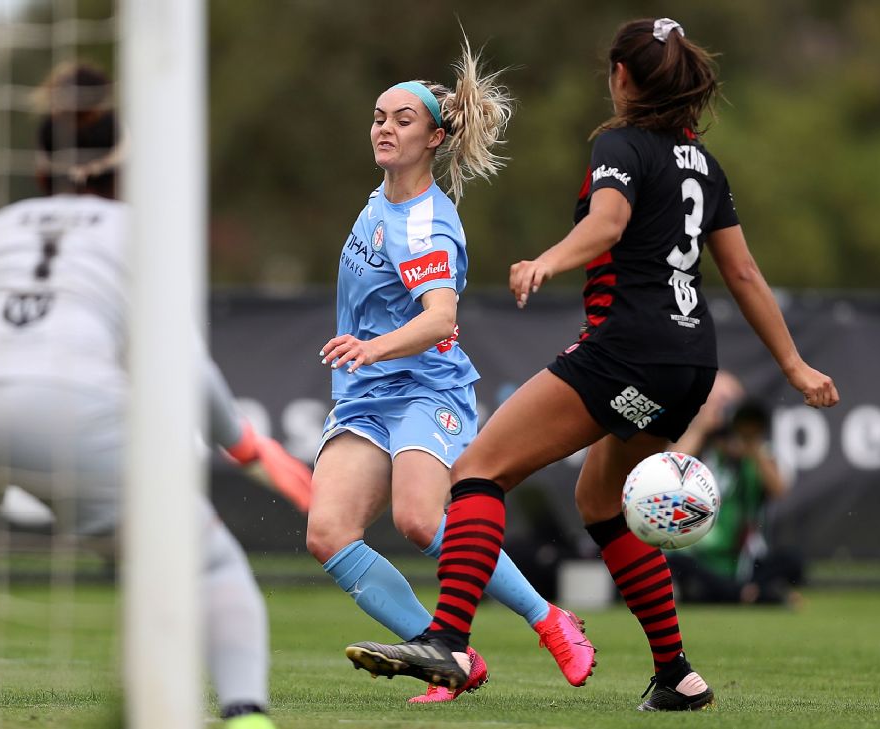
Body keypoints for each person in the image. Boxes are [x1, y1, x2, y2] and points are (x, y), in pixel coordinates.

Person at [342, 17, 839, 712]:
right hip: (689, 364)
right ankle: (677, 675)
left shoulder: (621, 146)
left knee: (481, 469)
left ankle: (450, 639)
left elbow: (607, 223)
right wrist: (793, 364)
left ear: (624, 78)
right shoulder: (704, 164)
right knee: (600, 504)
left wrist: (546, 259)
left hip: (626, 349)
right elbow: (745, 273)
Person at [0, 63, 310, 729]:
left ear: (41, 171)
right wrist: (243, 443)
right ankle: (246, 717)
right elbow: (183, 363)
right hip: (69, 403)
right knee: (207, 561)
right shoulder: (142, 235)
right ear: (126, 174)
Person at [307, 36, 596, 705]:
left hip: (423, 387)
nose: (383, 126)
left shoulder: (428, 225)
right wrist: (367, 359)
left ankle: (549, 617)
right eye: (379, 116)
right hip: (363, 397)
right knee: (327, 533)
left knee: (417, 517)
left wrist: (373, 348)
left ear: (434, 138)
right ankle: (449, 657)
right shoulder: (382, 198)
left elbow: (440, 318)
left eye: (401, 119)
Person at [671, 377, 804, 605]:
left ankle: (730, 593)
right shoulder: (700, 447)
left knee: (793, 560)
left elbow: (779, 489)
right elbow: (671, 472)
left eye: (731, 402)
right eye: (719, 402)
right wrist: (700, 429)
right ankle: (751, 595)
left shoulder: (757, 450)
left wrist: (751, 443)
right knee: (675, 564)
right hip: (699, 556)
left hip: (743, 559)